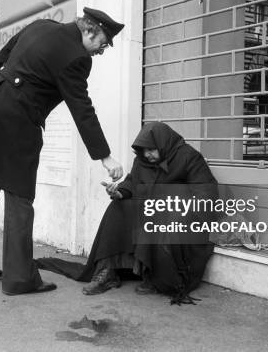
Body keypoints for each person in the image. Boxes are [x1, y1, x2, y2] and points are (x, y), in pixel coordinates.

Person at [0, 7, 125, 296]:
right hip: (19, 122)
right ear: (89, 30)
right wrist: (105, 156)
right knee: (20, 198)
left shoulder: (41, 25)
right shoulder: (76, 57)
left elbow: (1, 57)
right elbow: (82, 109)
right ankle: (19, 279)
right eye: (102, 43)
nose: (101, 51)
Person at [37, 122, 218, 305]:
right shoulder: (142, 159)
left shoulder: (188, 157)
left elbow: (206, 193)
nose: (148, 155)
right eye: (144, 150)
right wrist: (119, 191)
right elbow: (132, 182)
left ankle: (154, 277)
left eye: (152, 150)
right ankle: (109, 271)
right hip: (151, 209)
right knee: (119, 207)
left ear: (164, 144)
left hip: (180, 215)